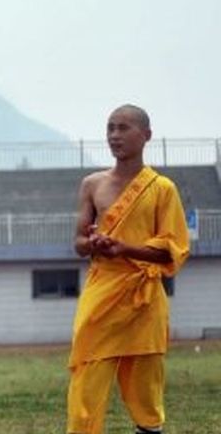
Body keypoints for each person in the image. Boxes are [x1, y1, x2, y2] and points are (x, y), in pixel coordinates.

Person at [67, 104, 190, 434]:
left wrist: (125, 248)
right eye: (110, 128)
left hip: (144, 297)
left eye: (123, 128)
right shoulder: (92, 184)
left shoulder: (162, 188)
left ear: (146, 135)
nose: (114, 135)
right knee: (87, 376)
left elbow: (172, 250)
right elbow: (78, 242)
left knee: (145, 387)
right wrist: (93, 244)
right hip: (103, 292)